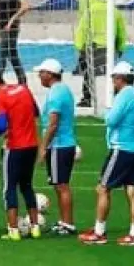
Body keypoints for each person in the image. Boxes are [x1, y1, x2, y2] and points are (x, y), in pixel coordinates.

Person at [80, 61, 134, 247]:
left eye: (114, 79)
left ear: (120, 78)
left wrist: (109, 112)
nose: (112, 82)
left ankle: (99, 232)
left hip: (122, 148)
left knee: (103, 188)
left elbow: (111, 120)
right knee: (132, 190)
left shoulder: (124, 96)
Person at [0, 71, 41, 242]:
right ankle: (35, 228)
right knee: (27, 186)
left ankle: (13, 230)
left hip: (14, 147)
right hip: (31, 145)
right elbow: (35, 112)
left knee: (9, 188)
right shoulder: (24, 89)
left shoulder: (1, 96)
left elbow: (1, 125)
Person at [36, 58, 78, 236]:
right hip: (63, 143)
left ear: (50, 74)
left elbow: (53, 123)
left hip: (59, 145)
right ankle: (64, 222)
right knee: (59, 184)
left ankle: (68, 223)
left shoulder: (56, 93)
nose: (39, 76)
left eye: (41, 73)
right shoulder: (62, 90)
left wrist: (43, 147)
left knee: (61, 185)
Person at [75, 0, 128, 107]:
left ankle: (87, 98)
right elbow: (122, 31)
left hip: (92, 47)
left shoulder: (90, 10)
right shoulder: (115, 11)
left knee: (89, 73)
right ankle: (115, 97)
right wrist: (121, 47)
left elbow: (82, 29)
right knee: (112, 74)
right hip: (109, 47)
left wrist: (79, 46)